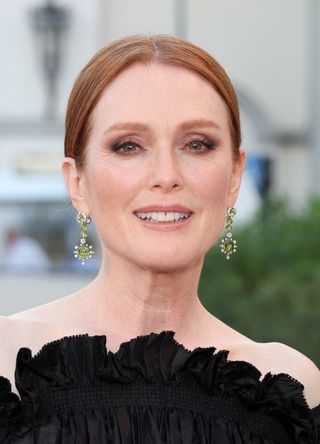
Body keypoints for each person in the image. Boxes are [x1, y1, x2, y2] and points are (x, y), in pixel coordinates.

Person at [0, 34, 319, 443]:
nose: (166, 175)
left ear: (235, 176)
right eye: (128, 146)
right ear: (77, 182)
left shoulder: (285, 388)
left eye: (197, 144)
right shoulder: (9, 359)